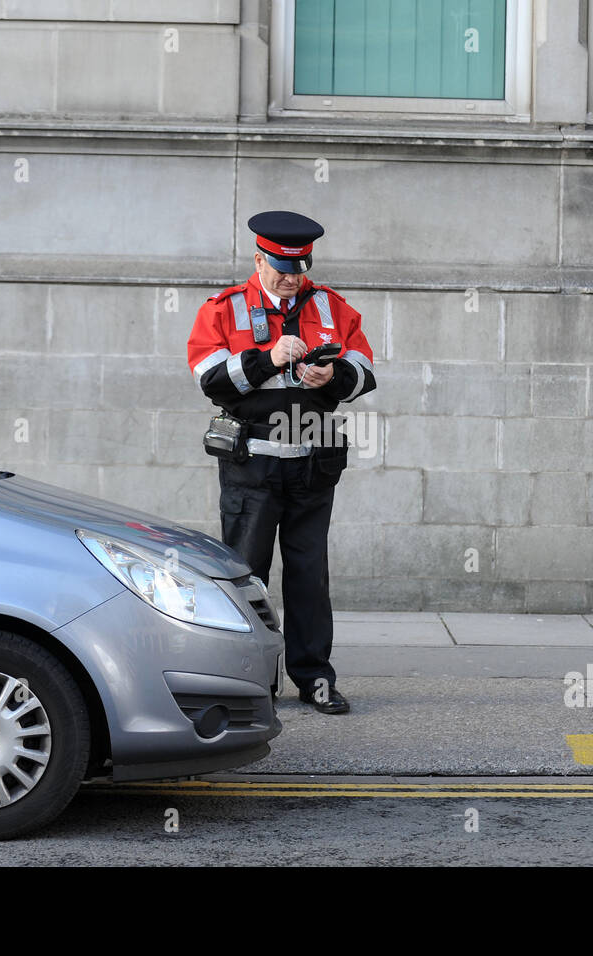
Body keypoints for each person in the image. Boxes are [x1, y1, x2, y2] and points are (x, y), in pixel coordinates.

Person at [187, 211, 376, 714]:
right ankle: (248, 682)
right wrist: (268, 357)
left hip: (312, 464)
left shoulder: (331, 306)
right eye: (281, 267)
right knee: (246, 576)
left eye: (299, 267)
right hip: (253, 466)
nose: (291, 277)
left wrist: (332, 377)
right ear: (259, 259)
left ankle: (315, 679)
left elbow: (364, 371)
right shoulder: (225, 309)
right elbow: (209, 378)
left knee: (309, 576)